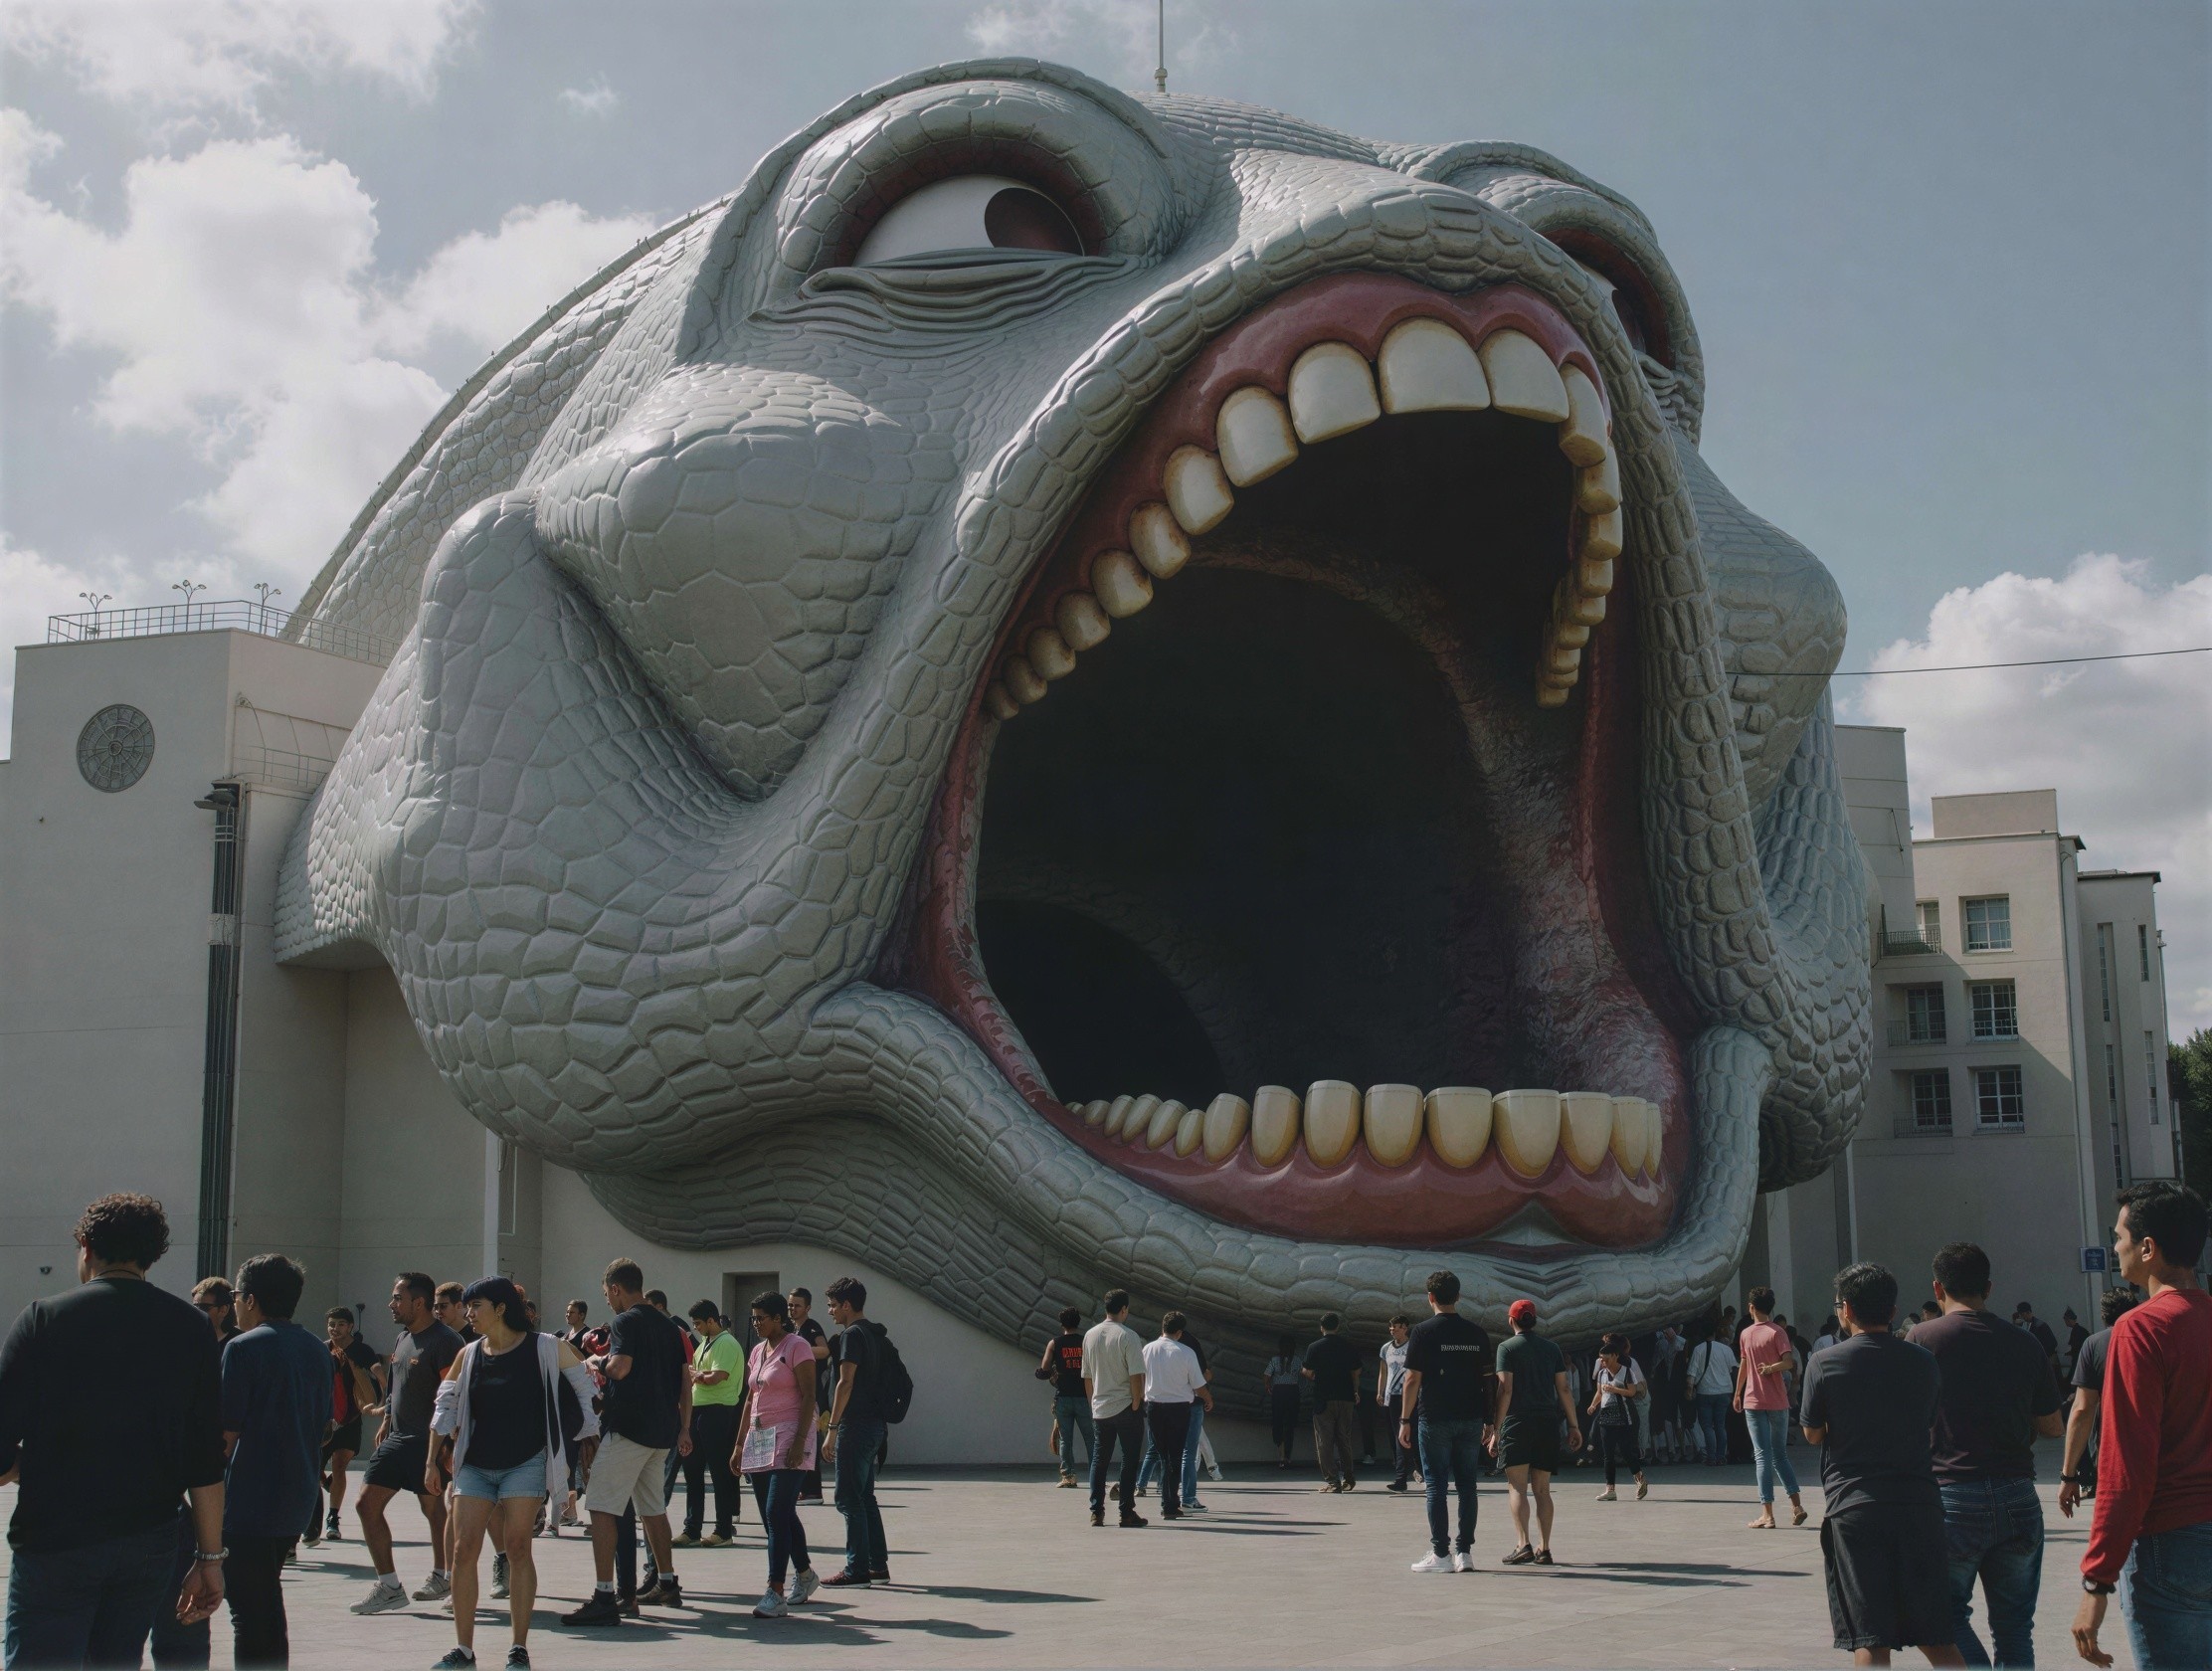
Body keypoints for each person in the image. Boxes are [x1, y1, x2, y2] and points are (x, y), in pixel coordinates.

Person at [0, 1194, 226, 1668]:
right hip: (148, 1537)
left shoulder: (43, 1319)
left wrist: (26, 1469)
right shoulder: (191, 1327)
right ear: (153, 1254)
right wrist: (209, 1559)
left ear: (86, 1246)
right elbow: (205, 1458)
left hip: (56, 1533)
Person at [2071, 1182, 2212, 1671]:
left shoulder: (2142, 1328)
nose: (2115, 1248)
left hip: (2171, 1542)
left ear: (2148, 1248)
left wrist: (2097, 1581)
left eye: (2119, 1237)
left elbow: (2125, 1469)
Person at [1798, 1262, 1963, 1667]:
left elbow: (1812, 1434)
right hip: (1918, 1505)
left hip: (1854, 1508)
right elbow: (1926, 1422)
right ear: (1892, 1312)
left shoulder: (1825, 1362)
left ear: (1846, 1309)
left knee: (1871, 1640)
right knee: (1938, 1638)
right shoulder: (1923, 1362)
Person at [429, 1276, 597, 1670]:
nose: (468, 1314)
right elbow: (444, 1407)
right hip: (474, 1464)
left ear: (501, 1308)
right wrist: (431, 1459)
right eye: (467, 1307)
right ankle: (464, 1650)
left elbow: (586, 1390)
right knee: (462, 1548)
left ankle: (518, 1647)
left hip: (526, 1461)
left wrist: (588, 1439)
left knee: (519, 1546)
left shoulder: (546, 1347)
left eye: (476, 1306)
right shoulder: (468, 1353)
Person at [1909, 1242, 2065, 1667]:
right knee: (2015, 1628)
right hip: (2017, 1492)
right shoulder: (2024, 1343)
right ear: (1989, 1288)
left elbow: (1905, 1420)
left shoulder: (1921, 1340)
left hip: (1951, 1495)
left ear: (1937, 1287)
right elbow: (2053, 1426)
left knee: (1946, 1617)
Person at [560, 1258, 690, 1628]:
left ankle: (605, 1596)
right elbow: (685, 1381)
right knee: (652, 1508)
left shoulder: (625, 1321)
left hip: (629, 1429)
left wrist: (597, 1361)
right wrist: (683, 1427)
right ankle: (667, 1583)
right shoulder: (671, 1326)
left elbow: (620, 1368)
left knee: (601, 1507)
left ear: (616, 1289)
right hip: (662, 1432)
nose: (608, 1302)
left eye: (607, 1294)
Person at [216, 1255, 330, 1669]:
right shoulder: (317, 1349)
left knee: (249, 1613)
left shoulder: (243, 1347)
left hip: (248, 1499)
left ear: (248, 1298)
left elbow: (224, 1436)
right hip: (295, 1496)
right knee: (264, 1604)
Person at [349, 1272, 461, 1614]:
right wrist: (385, 1420)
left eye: (398, 1298)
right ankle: (389, 1585)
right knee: (366, 1505)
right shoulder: (402, 1339)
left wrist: (446, 1447)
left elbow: (454, 1398)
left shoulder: (446, 1342)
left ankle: (446, 1576)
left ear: (419, 1303)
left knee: (434, 1510)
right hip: (398, 1438)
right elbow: (395, 1387)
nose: (391, 1304)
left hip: (430, 1442)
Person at [732, 1291, 821, 1617]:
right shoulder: (757, 1351)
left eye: (761, 1317)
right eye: (753, 1317)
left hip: (789, 1435)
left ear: (779, 1318)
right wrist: (739, 1444)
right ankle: (805, 1574)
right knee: (777, 1517)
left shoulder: (797, 1347)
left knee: (776, 1510)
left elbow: (810, 1394)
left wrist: (799, 1441)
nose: (756, 1323)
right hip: (759, 1438)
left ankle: (775, 1591)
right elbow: (749, 1398)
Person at [1397, 1269, 1493, 1574]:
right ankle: (1464, 1553)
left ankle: (1440, 1554)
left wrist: (1404, 1419)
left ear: (1431, 1298)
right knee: (1468, 1485)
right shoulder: (1477, 1332)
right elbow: (1490, 1381)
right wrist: (1490, 1421)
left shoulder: (1423, 1332)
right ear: (1459, 1296)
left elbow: (1412, 1379)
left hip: (1435, 1417)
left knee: (1436, 1484)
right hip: (1471, 1418)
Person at [1492, 1297, 1579, 1566]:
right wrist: (1574, 1425)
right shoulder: (1551, 1348)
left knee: (1517, 1486)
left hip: (1518, 1422)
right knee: (1542, 1489)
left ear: (1511, 1320)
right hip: (1547, 1422)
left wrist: (1496, 1428)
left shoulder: (1506, 1348)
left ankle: (1523, 1544)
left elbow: (1506, 1389)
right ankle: (1545, 1548)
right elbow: (1563, 1388)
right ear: (1534, 1320)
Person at [820, 1276, 894, 1587]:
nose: (830, 1312)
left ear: (847, 1305)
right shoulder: (877, 1334)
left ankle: (856, 1570)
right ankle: (877, 1565)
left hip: (856, 1425)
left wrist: (832, 1429)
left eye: (833, 1305)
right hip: (876, 1425)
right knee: (865, 1497)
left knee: (849, 1498)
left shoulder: (851, 1335)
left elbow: (845, 1381)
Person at [2057, 1290, 2136, 1521]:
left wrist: (2069, 1476)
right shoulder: (2157, 1337)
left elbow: (2082, 1410)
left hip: (2112, 1450)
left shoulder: (2094, 1344)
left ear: (2103, 1316)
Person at [1736, 1286, 1807, 1529]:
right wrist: (1773, 1369)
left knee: (1762, 1456)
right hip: (1778, 1402)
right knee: (1780, 1455)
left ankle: (1767, 1514)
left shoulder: (1745, 1334)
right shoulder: (1778, 1332)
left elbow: (1744, 1365)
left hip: (1754, 1401)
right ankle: (1796, 1505)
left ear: (1751, 1308)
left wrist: (1738, 1394)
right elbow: (1789, 1363)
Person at [674, 1303, 743, 1548]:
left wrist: (697, 1376)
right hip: (698, 1410)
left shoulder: (726, 1343)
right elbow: (695, 1373)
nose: (696, 1328)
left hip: (718, 1411)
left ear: (712, 1321)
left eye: (699, 1323)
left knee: (719, 1473)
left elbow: (716, 1377)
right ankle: (692, 1528)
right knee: (692, 1471)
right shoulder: (704, 1344)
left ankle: (723, 1530)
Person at [313, 1309, 381, 1545]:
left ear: (350, 1326)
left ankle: (332, 1519)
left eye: (341, 1324)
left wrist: (384, 1400)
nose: (335, 1329)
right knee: (314, 1469)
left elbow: (377, 1373)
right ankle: (323, 1485)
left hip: (351, 1420)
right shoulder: (322, 1350)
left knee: (340, 1465)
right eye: (332, 1324)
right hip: (325, 1421)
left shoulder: (361, 1350)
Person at [1082, 1290, 1149, 1528]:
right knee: (1129, 1460)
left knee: (1099, 1460)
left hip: (1100, 1408)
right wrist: (1136, 1401)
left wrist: (1093, 1403)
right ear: (1124, 1309)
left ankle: (1096, 1511)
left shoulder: (1090, 1335)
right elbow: (1136, 1375)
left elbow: (1087, 1376)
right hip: (1125, 1406)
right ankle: (1126, 1513)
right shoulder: (1128, 1336)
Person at [1134, 1313, 1209, 1520]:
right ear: (1179, 1332)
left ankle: (1167, 1502)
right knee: (1175, 1457)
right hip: (1178, 1409)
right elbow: (1198, 1383)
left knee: (1163, 1455)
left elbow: (1140, 1377)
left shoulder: (1147, 1349)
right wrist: (1209, 1399)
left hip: (1154, 1408)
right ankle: (1169, 1504)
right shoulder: (1185, 1352)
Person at [1301, 1313, 1363, 1492]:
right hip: (1346, 1397)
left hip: (1324, 1399)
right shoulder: (1348, 1346)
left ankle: (1333, 1481)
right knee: (1344, 1439)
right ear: (1337, 1327)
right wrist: (1355, 1391)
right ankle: (1349, 1478)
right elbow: (1356, 1371)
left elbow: (1308, 1371)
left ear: (1321, 1327)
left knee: (1324, 1441)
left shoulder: (1314, 1347)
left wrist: (1308, 1373)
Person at [1586, 1334, 1649, 1503]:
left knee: (1627, 1451)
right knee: (1608, 1454)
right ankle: (1610, 1489)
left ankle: (1640, 1479)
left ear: (1615, 1356)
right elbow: (1599, 1393)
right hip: (1607, 1416)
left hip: (1625, 1416)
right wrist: (1593, 1405)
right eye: (1601, 1359)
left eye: (1606, 1359)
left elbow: (1632, 1392)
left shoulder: (1627, 1372)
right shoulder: (1602, 1374)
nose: (1603, 1362)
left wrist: (1616, 1390)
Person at [1036, 1306, 1091, 1489]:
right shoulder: (1086, 1342)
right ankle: (1097, 1475)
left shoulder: (1055, 1343)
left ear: (1062, 1324)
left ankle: (1069, 1476)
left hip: (1063, 1398)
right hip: (1085, 1397)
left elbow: (1044, 1370)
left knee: (1066, 1440)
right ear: (1078, 1323)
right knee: (1091, 1439)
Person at [788, 1288, 830, 1504]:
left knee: (810, 1440)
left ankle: (813, 1491)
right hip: (800, 1393)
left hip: (814, 1394)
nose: (792, 1309)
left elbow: (824, 1350)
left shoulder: (812, 1327)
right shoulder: (793, 1330)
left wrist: (799, 1349)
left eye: (797, 1305)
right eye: (790, 1305)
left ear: (808, 1308)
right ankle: (805, 1488)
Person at [1686, 1323, 1739, 1467]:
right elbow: (1734, 1369)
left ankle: (1711, 1456)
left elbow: (1691, 1373)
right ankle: (1721, 1456)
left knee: (1707, 1426)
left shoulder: (1698, 1349)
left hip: (1705, 1392)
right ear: (1715, 1333)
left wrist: (1689, 1391)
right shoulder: (1726, 1349)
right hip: (1724, 1391)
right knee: (1720, 1426)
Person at [1379, 1315, 1416, 1491]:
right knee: (1397, 1436)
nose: (1394, 1330)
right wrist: (1380, 1392)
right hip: (1392, 1395)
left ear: (1405, 1328)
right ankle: (1402, 1476)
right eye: (1391, 1327)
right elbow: (1383, 1372)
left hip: (1410, 1394)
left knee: (1413, 1434)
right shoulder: (1386, 1348)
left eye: (1397, 1327)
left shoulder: (1413, 1346)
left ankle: (1416, 1470)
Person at [1262, 1335, 1302, 1468]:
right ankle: (1288, 1455)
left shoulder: (1274, 1360)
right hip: (1292, 1392)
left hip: (1278, 1392)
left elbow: (1267, 1375)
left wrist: (1268, 1386)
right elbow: (1304, 1373)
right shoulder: (1297, 1360)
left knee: (1278, 1422)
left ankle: (1281, 1456)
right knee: (1290, 1424)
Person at [192, 1279, 241, 1348]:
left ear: (223, 1310)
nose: (197, 1312)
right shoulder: (188, 1342)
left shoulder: (241, 1345)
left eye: (203, 1307)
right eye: (194, 1307)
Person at [2061, 1309, 2089, 1383]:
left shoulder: (2076, 1331)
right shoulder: (2080, 1330)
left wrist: (2070, 1352)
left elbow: (2075, 1346)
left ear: (2069, 1320)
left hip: (2078, 1357)